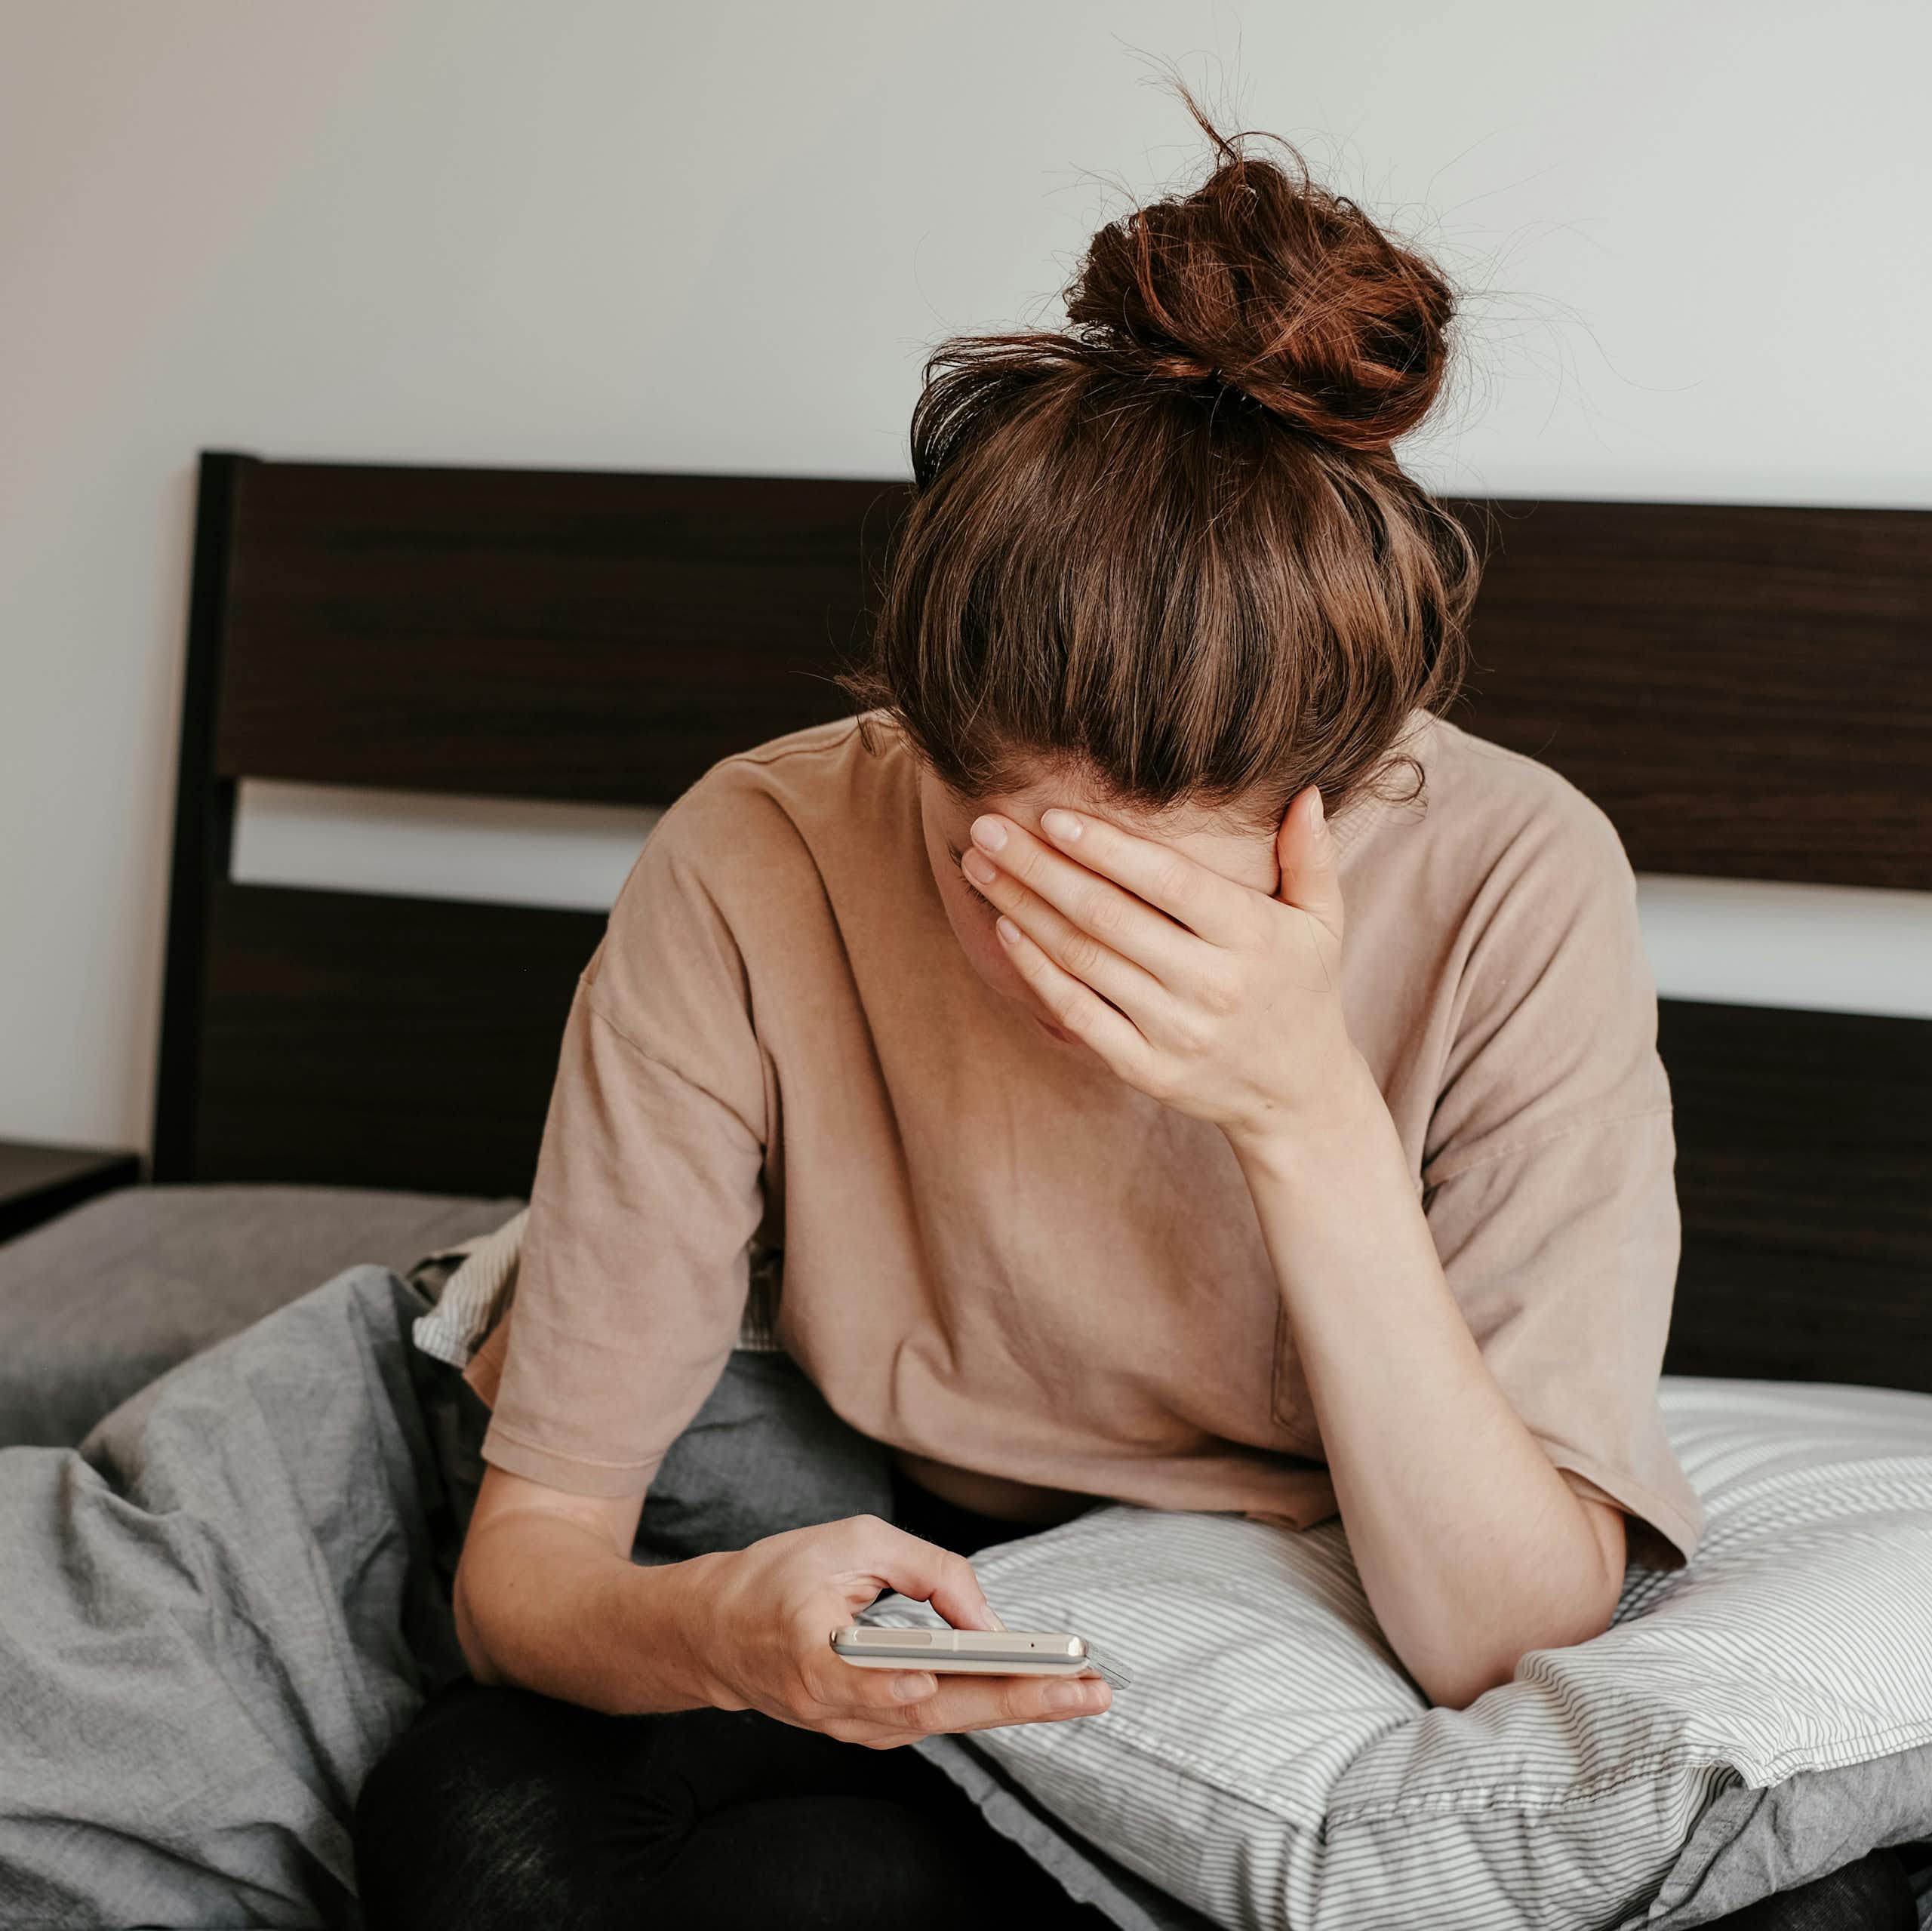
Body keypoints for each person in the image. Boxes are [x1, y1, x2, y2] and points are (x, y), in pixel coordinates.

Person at [355, 97, 1731, 1928]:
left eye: (1145, 904)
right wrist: (717, 1627)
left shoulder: (1511, 875)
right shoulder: (759, 853)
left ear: (1336, 803)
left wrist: (1299, 1108)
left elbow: (1501, 1628)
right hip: (943, 1557)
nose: (1042, 974)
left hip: (1335, 1581)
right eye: (988, 866)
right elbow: (525, 1572)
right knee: (478, 1819)